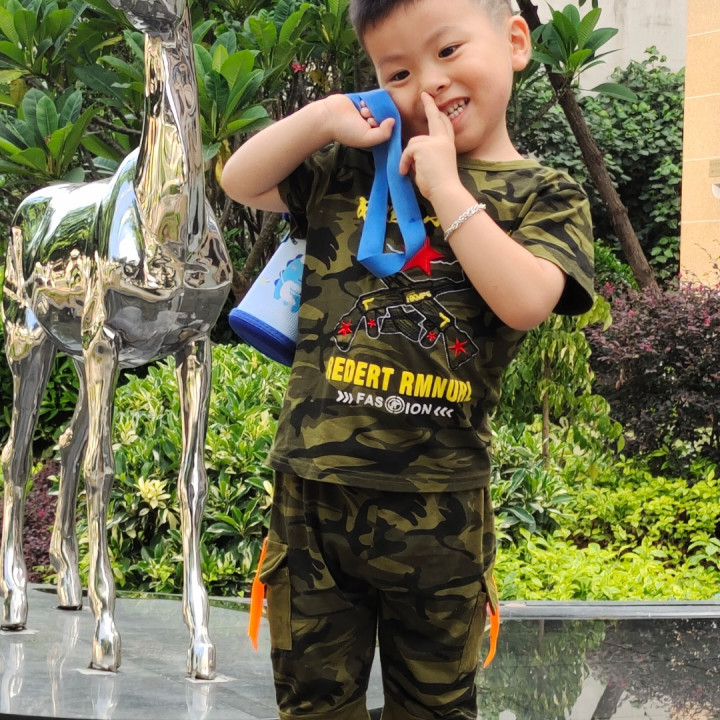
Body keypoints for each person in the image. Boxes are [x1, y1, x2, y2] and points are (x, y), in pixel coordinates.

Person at [221, 0, 594, 718]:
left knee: (436, 705)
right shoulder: (353, 166)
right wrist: (323, 118)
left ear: (515, 41)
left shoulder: (545, 194)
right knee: (312, 703)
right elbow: (240, 180)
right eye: (397, 72)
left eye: (447, 51)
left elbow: (526, 300)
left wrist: (446, 188)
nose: (428, 83)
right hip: (314, 493)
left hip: (440, 504)